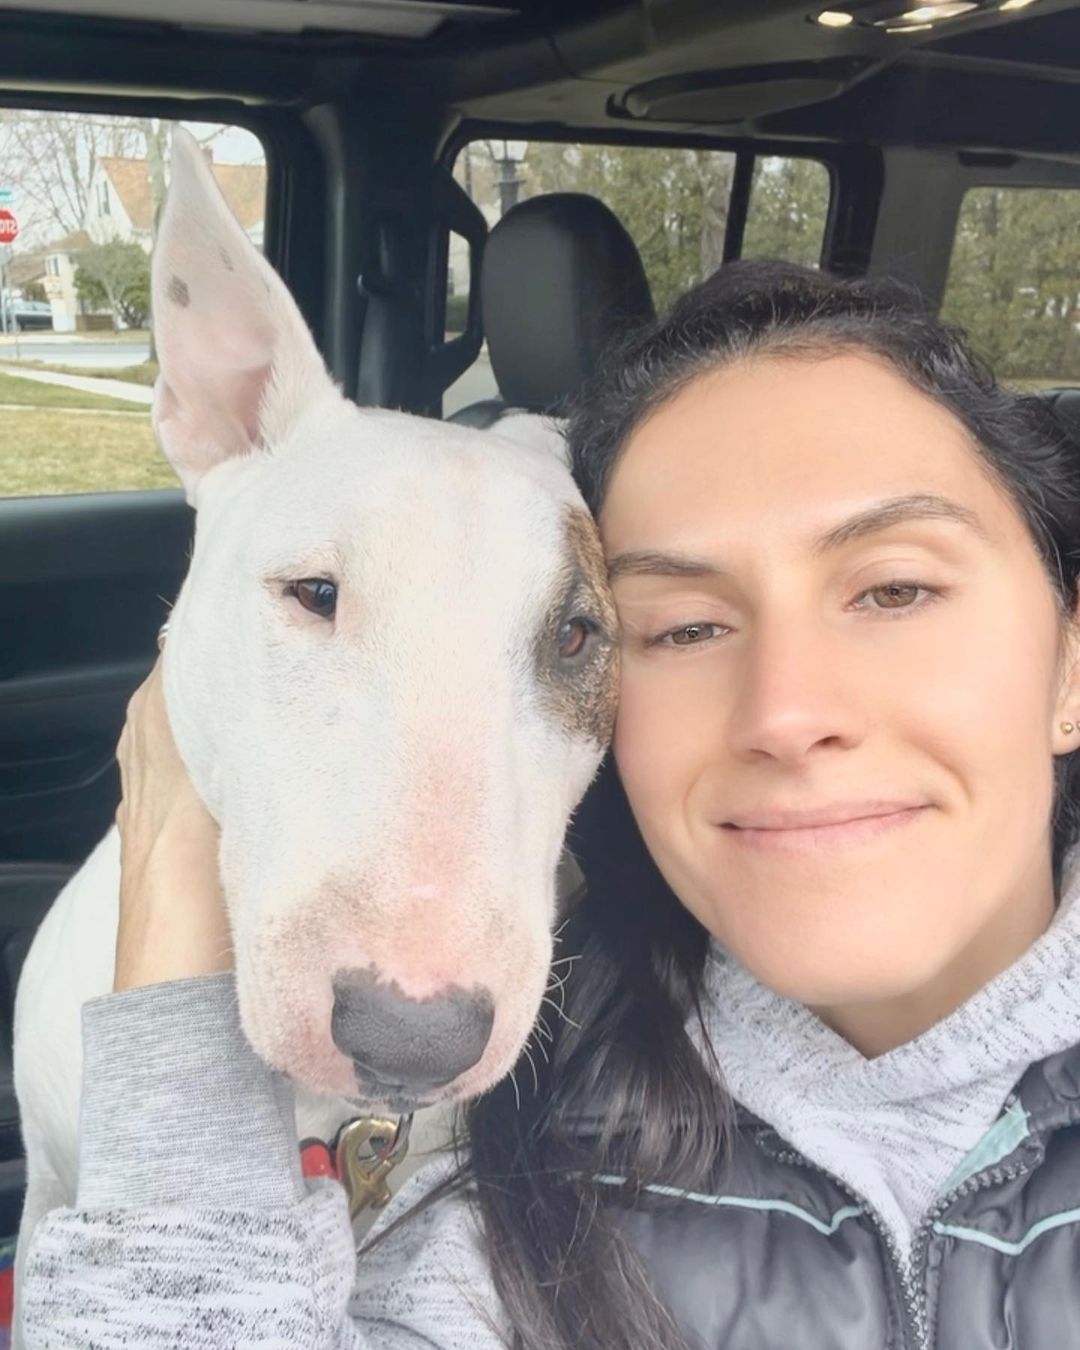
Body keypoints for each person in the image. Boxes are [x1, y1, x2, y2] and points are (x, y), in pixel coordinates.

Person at [19, 260, 1080, 1350]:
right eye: (685, 626)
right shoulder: (524, 1191)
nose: (788, 711)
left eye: (896, 589)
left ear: (1071, 658)